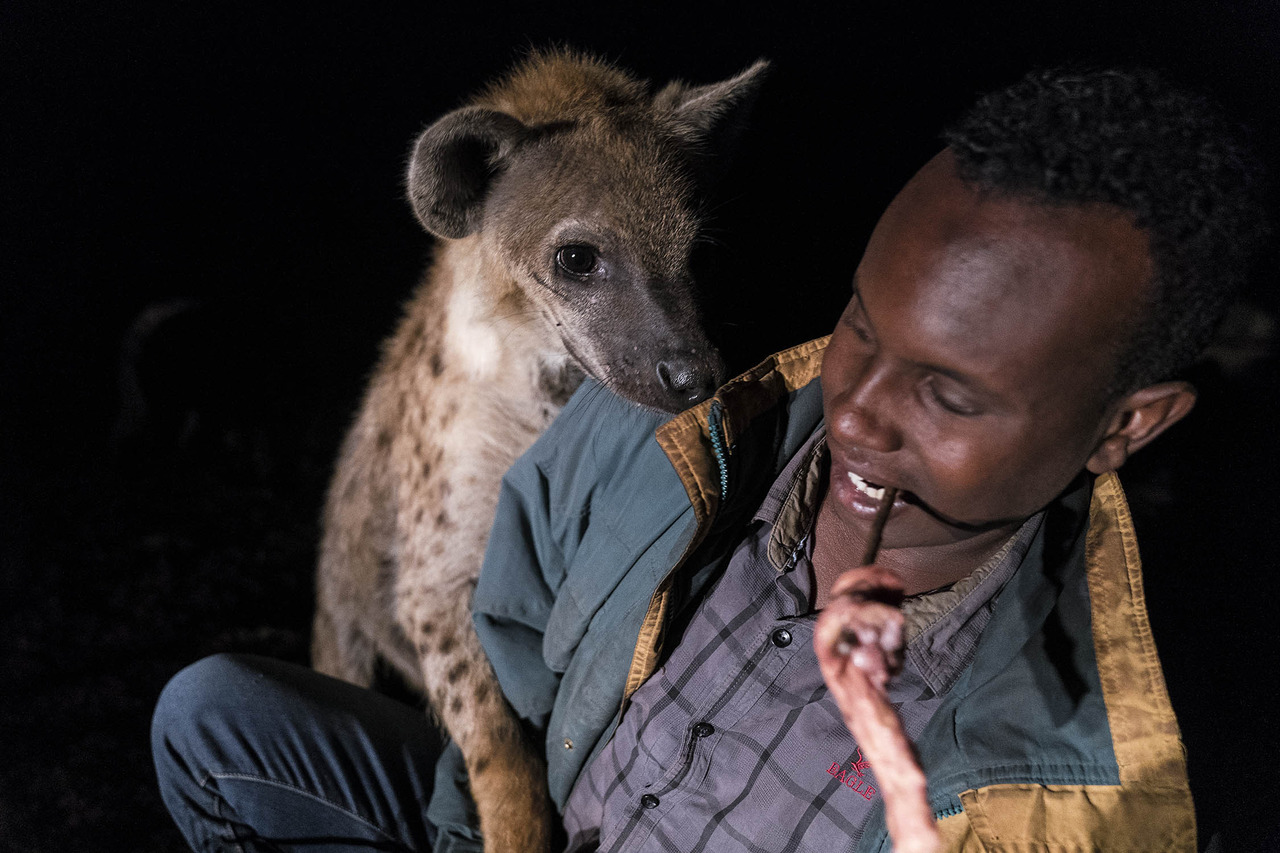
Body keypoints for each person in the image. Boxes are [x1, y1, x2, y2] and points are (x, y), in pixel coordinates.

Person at [152, 66, 1267, 852]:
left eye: (946, 393)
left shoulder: (1085, 772)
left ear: (1126, 425)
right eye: (860, 328)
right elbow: (505, 695)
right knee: (213, 714)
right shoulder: (666, 438)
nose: (856, 411)